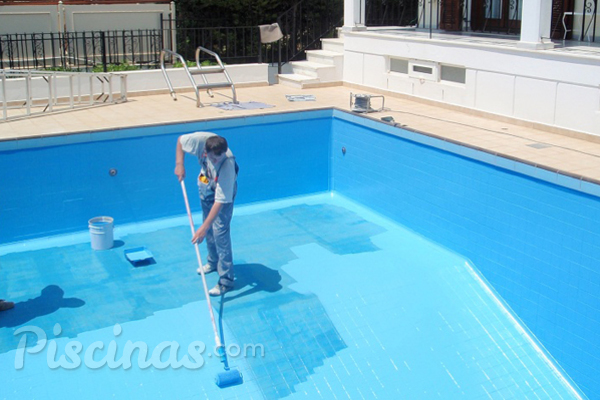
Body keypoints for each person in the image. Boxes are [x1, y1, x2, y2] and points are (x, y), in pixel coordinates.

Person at [175, 132, 238, 296]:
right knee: (208, 227)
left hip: (223, 191)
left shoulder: (227, 165)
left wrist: (203, 227)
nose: (216, 161)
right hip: (205, 180)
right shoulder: (199, 141)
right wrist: (179, 164)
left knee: (220, 232)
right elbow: (180, 141)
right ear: (205, 151)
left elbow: (220, 201)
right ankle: (213, 261)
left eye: (219, 158)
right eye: (213, 159)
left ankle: (226, 280)